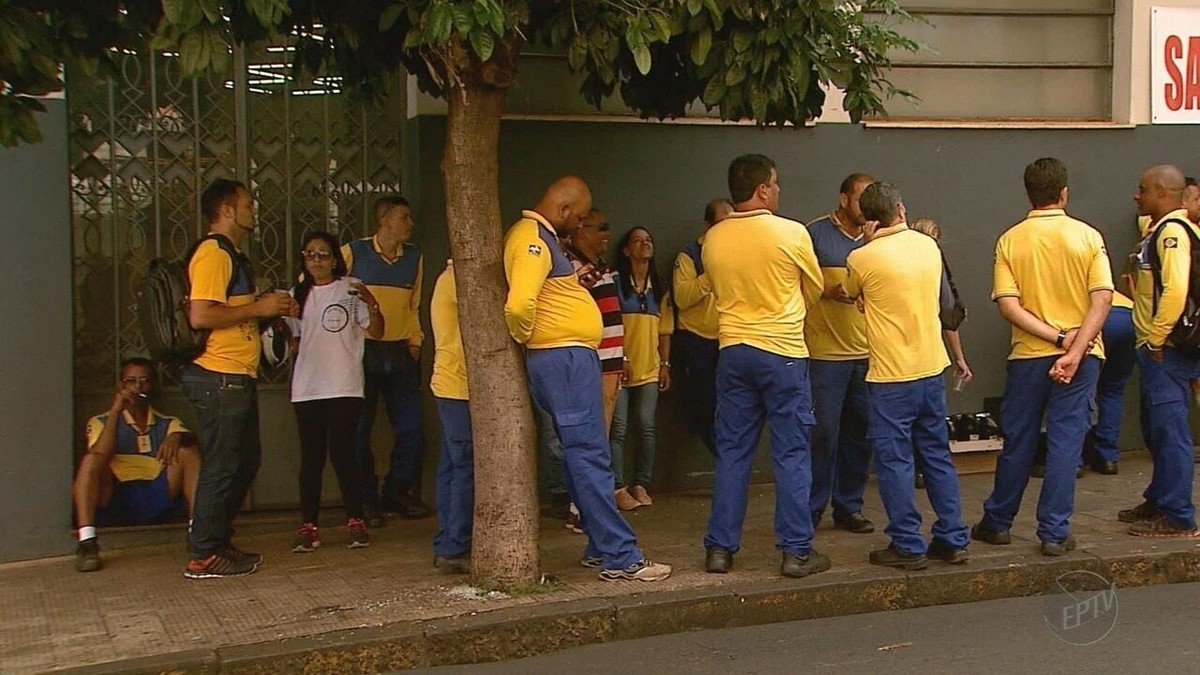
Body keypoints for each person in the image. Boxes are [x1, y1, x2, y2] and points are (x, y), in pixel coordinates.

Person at [503, 175, 671, 582]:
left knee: (585, 453)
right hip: (562, 357)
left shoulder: (540, 237)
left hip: (565, 356)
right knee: (591, 455)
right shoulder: (532, 239)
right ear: (562, 210)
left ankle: (601, 546)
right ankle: (621, 555)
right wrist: (533, 338)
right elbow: (519, 304)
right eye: (577, 218)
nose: (578, 226)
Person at [973, 157, 1112, 556]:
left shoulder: (1010, 239)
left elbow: (1008, 305)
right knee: (1066, 442)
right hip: (1083, 356)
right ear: (1064, 192)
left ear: (1028, 193)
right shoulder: (1088, 236)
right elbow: (1101, 297)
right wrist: (1076, 345)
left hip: (1029, 354)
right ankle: (1053, 532)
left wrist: (1056, 336)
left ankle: (997, 522)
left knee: (1018, 440)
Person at [701, 154, 830, 579]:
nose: (778, 190)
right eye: (774, 184)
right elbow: (814, 288)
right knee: (791, 452)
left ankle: (719, 549)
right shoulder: (791, 232)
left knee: (733, 451)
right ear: (761, 190)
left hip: (733, 348)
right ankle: (796, 551)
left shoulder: (714, 238)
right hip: (782, 351)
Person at [842, 182, 970, 570]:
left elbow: (849, 292)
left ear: (868, 219)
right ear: (900, 209)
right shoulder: (928, 245)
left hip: (890, 375)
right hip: (931, 366)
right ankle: (952, 537)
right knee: (936, 455)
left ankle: (908, 543)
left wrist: (865, 248)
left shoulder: (862, 258)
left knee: (895, 461)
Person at [183, 178, 299, 578]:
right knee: (222, 465)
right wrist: (258, 307)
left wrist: (265, 306)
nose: (254, 210)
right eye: (248, 203)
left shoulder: (232, 256)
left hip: (236, 375)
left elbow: (231, 309)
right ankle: (202, 554)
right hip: (218, 375)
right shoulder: (214, 254)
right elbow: (201, 315)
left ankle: (217, 541)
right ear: (227, 210)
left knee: (244, 462)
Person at [286, 231, 384, 553]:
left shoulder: (350, 289)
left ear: (335, 259)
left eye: (323, 254)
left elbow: (377, 330)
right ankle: (308, 525)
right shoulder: (296, 295)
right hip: (308, 387)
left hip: (344, 384)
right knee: (311, 458)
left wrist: (371, 301)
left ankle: (355, 520)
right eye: (310, 254)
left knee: (344, 453)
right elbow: (295, 342)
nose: (316, 260)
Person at [1121, 164, 1200, 538]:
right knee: (1156, 430)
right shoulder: (1166, 228)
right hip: (1161, 349)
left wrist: (1156, 339)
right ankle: (1159, 499)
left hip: (1165, 350)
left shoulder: (1172, 234)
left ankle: (1177, 515)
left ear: (1164, 194)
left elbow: (1175, 290)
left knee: (1170, 433)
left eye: (1143, 189)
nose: (1137, 196)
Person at [345, 195, 428, 524]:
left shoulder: (413, 257)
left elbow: (414, 304)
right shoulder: (355, 252)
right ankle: (365, 498)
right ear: (385, 220)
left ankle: (397, 490)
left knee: (411, 428)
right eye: (404, 217)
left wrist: (415, 343)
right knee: (358, 429)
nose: (410, 224)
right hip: (363, 349)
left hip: (399, 350)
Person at [73, 358, 200, 572]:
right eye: (131, 381)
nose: (138, 387)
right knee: (91, 460)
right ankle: (87, 543)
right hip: (116, 496)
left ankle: (198, 532)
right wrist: (116, 412)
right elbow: (101, 455)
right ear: (121, 386)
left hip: (155, 493)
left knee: (189, 451)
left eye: (144, 381)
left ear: (153, 385)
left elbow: (191, 443)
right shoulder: (100, 421)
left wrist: (177, 437)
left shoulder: (166, 422)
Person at [804, 173, 876, 535]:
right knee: (822, 434)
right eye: (861, 198)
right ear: (843, 198)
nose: (866, 206)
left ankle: (849, 507)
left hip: (866, 353)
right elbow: (797, 282)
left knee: (860, 434)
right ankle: (812, 509)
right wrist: (826, 289)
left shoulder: (876, 239)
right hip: (824, 355)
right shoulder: (814, 235)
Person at [562, 208, 634, 514]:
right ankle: (582, 509)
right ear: (580, 229)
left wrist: (623, 356)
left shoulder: (599, 266)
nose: (607, 234)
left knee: (603, 438)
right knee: (592, 440)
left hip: (612, 363)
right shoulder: (570, 266)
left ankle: (591, 505)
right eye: (600, 227)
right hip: (593, 364)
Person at [910, 216, 976, 489]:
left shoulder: (889, 262)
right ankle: (928, 474)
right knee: (931, 427)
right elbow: (948, 316)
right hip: (928, 358)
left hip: (892, 359)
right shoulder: (933, 267)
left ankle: (913, 470)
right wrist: (959, 358)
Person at [610, 226, 673, 508]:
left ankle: (641, 484)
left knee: (646, 426)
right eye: (636, 241)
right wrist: (619, 357)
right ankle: (617, 488)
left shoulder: (659, 288)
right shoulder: (614, 282)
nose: (643, 245)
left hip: (650, 367)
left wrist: (665, 364)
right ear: (626, 250)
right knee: (618, 428)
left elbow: (665, 331)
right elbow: (609, 325)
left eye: (648, 240)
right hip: (620, 367)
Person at [672, 198, 734, 456]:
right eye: (720, 224)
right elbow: (682, 298)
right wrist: (710, 274)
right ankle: (727, 461)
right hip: (697, 341)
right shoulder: (689, 255)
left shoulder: (738, 253)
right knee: (703, 409)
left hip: (729, 339)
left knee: (733, 407)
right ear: (707, 225)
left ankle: (731, 463)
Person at [430, 260, 474, 573]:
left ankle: (448, 540)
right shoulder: (458, 280)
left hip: (452, 382)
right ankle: (454, 544)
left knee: (452, 465)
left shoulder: (448, 277)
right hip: (458, 385)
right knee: (464, 465)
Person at [1085, 290, 1135, 475]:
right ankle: (1107, 457)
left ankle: (1075, 460)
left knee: (1079, 391)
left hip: (1095, 314)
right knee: (1113, 389)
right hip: (1128, 315)